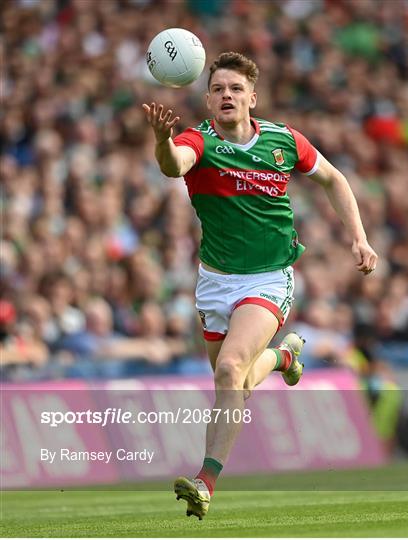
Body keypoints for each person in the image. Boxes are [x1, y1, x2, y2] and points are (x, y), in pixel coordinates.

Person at [142, 52, 378, 520]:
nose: (225, 95)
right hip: (214, 282)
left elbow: (334, 178)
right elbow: (174, 165)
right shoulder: (199, 141)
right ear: (208, 100)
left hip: (269, 278)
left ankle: (205, 483)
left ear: (252, 96)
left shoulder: (283, 140)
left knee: (230, 369)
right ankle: (283, 358)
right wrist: (162, 140)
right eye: (217, 90)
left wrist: (359, 236)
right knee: (236, 382)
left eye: (234, 89)